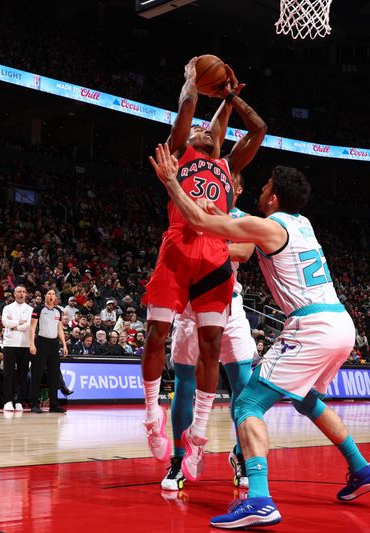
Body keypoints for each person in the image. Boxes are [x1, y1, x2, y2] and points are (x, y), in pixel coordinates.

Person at [150, 149, 370, 528]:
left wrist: (172, 182)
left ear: (273, 198)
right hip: (340, 323)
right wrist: (220, 212)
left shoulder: (270, 226)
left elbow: (200, 221)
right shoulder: (302, 223)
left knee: (246, 405)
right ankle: (361, 468)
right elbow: (239, 235)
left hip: (312, 328)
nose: (260, 190)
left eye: (265, 187)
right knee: (307, 399)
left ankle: (259, 498)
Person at [142, 58, 266, 473]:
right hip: (179, 247)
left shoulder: (230, 167)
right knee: (157, 336)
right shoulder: (182, 150)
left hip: (213, 260)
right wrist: (192, 81)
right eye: (199, 130)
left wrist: (231, 96)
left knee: (217, 357)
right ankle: (153, 421)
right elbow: (188, 116)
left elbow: (258, 129)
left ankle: (199, 439)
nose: (200, 130)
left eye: (206, 130)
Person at [162, 173, 256, 490]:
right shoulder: (188, 208)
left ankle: (241, 456)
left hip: (230, 305)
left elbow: (243, 252)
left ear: (236, 190)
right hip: (191, 307)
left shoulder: (241, 218)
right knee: (184, 385)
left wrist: (200, 248)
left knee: (244, 385)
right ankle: (177, 458)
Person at [29, 289, 68, 414]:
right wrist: (31, 344)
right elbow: (32, 327)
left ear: (55, 297)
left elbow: (60, 329)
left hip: (54, 344)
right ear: (45, 296)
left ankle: (54, 405)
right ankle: (34, 404)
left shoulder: (58, 311)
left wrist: (64, 345)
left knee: (54, 375)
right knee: (37, 374)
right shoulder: (38, 309)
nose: (51, 296)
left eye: (53, 294)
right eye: (49, 294)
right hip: (41, 342)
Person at [1, 285, 33, 411]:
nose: (21, 294)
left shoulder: (30, 309)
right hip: (9, 344)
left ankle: (19, 400)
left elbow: (29, 324)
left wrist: (14, 325)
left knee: (22, 375)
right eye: (19, 291)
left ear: (26, 294)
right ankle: (8, 400)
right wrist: (20, 322)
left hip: (25, 344)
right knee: (8, 374)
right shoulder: (7, 308)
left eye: (24, 292)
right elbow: (5, 323)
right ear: (14, 294)